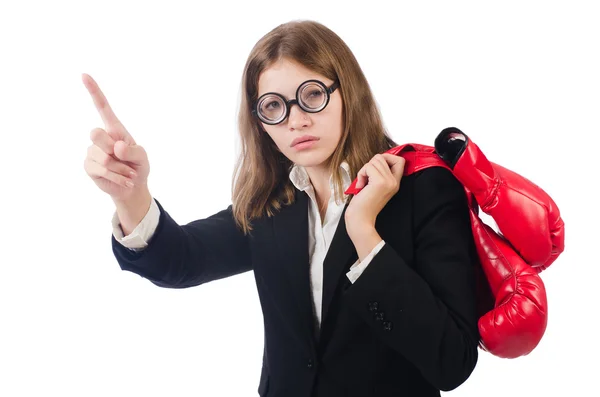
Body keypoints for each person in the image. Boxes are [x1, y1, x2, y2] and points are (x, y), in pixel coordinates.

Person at [83, 19, 480, 397]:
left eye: (311, 95)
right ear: (260, 121)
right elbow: (182, 259)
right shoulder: (271, 203)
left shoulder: (425, 187)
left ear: (348, 92)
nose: (296, 121)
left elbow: (452, 362)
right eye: (274, 106)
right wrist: (131, 194)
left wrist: (364, 234)